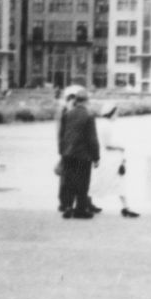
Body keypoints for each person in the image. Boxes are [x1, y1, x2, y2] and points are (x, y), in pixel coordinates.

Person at [94, 102, 139, 218]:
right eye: (116, 112)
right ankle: (125, 207)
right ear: (111, 113)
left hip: (109, 158)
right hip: (109, 159)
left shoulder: (104, 124)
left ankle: (125, 207)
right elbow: (107, 144)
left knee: (102, 181)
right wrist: (121, 147)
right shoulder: (106, 125)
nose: (117, 115)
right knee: (115, 182)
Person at [59, 89, 99, 218]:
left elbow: (61, 135)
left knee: (69, 181)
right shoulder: (89, 115)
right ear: (87, 101)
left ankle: (68, 208)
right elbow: (92, 138)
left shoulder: (67, 114)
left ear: (76, 101)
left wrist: (62, 151)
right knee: (82, 183)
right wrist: (96, 157)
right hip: (83, 155)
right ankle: (80, 210)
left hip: (68, 154)